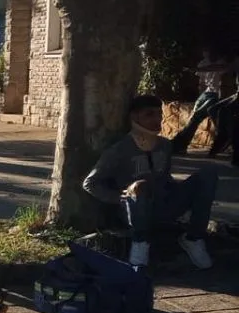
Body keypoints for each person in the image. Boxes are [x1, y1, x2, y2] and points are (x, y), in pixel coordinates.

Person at [83, 94, 218, 269]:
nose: (157, 120)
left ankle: (193, 238)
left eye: (159, 114)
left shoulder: (164, 145)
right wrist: (120, 197)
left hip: (165, 204)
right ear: (134, 117)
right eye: (149, 115)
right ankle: (140, 244)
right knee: (140, 186)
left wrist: (184, 195)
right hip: (135, 210)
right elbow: (90, 183)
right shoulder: (119, 150)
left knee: (208, 173)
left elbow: (165, 176)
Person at [170, 47, 231, 155]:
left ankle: (179, 143)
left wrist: (198, 69)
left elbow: (216, 68)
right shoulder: (203, 62)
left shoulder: (222, 62)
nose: (207, 54)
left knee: (198, 116)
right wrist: (200, 98)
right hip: (207, 93)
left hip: (218, 95)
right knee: (193, 117)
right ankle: (181, 144)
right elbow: (202, 83)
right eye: (205, 51)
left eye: (209, 51)